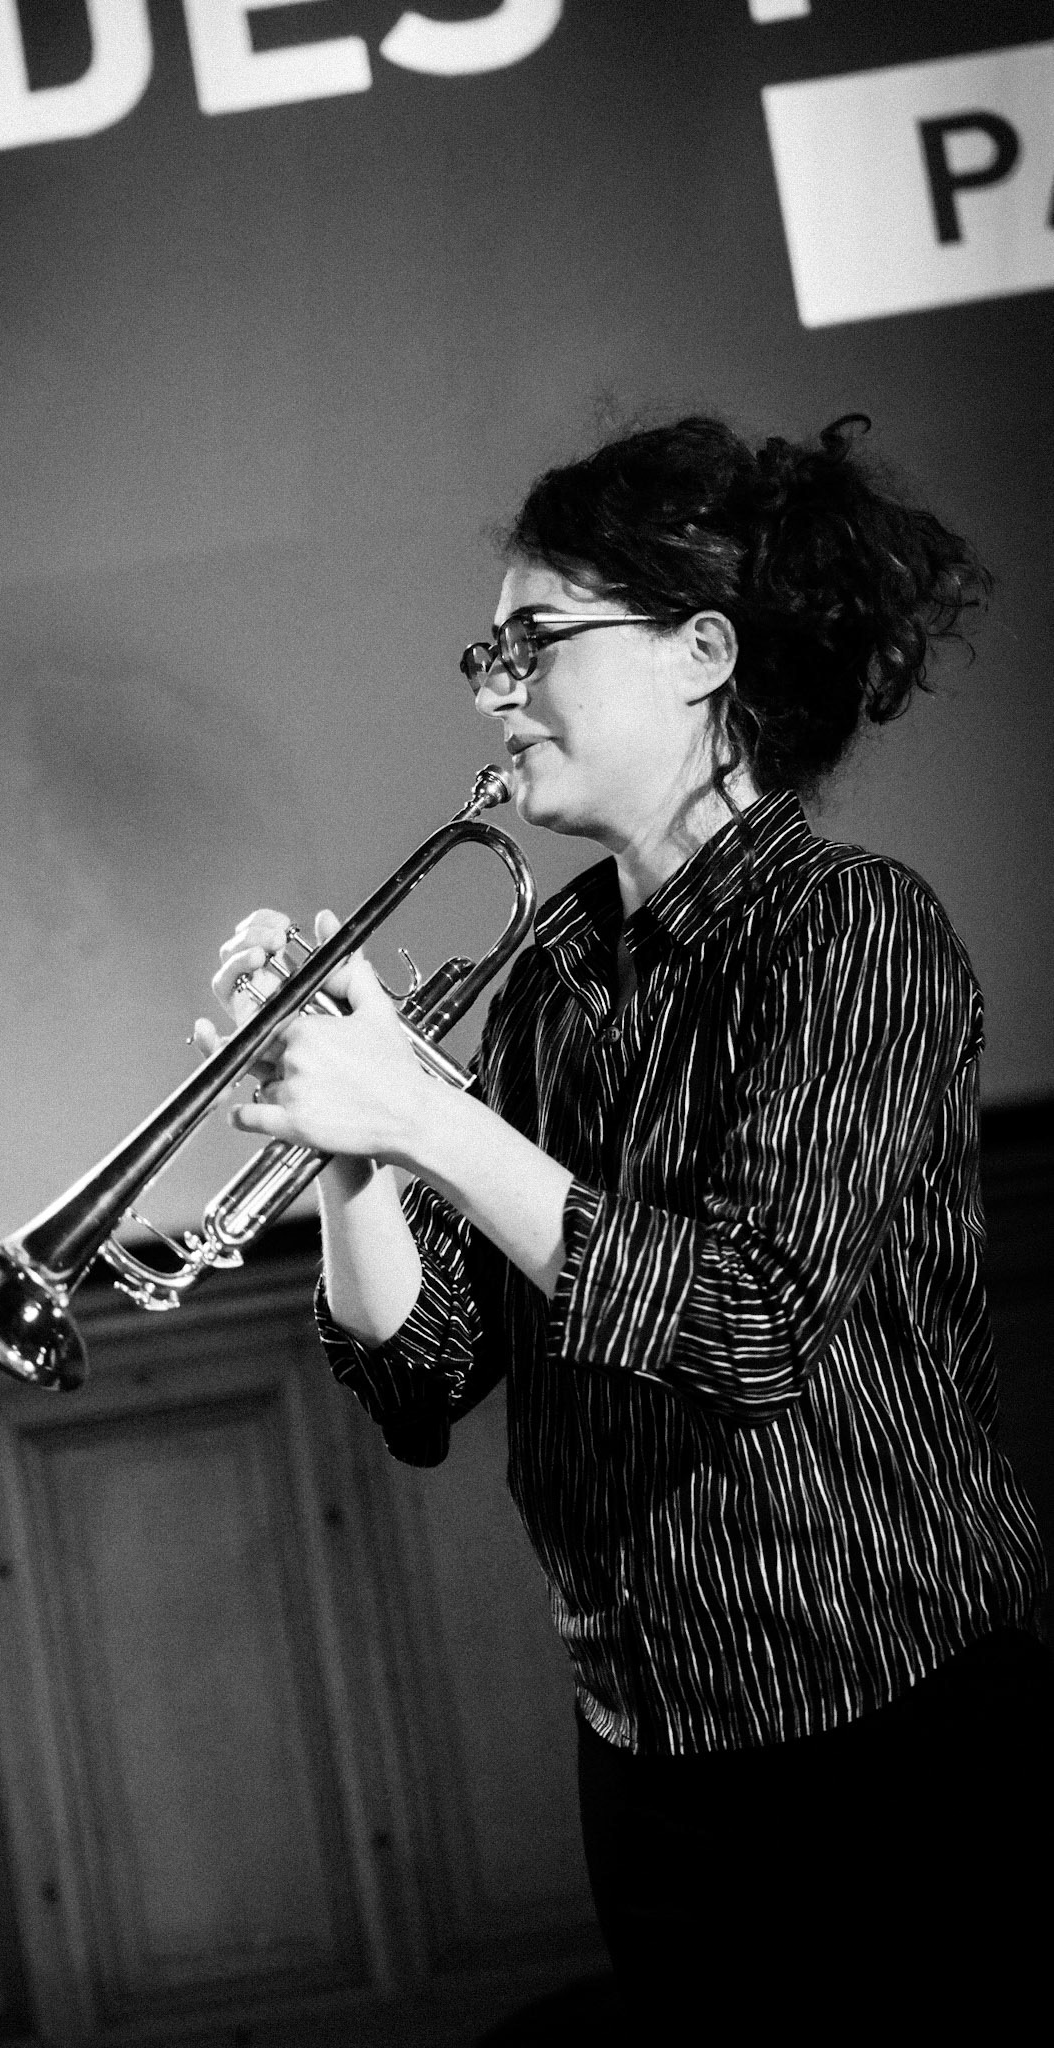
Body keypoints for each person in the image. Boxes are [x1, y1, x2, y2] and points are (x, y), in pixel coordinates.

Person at [193, 414, 1050, 2039]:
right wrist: (339, 1141)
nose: (488, 691)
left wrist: (423, 1111)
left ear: (699, 654)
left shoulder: (851, 930)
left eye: (534, 643)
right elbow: (422, 1381)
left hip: (896, 1742)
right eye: (486, 649)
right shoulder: (550, 983)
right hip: (651, 1757)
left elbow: (743, 1321)